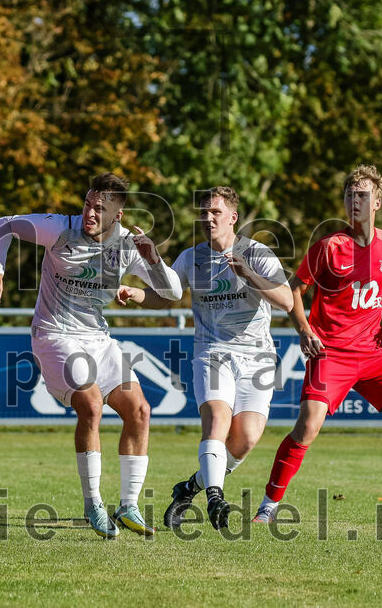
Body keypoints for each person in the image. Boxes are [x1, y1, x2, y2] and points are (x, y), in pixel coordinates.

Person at [253, 164, 382, 523]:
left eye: (362, 195)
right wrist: (304, 329)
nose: (355, 201)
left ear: (377, 201)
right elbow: (294, 289)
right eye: (350, 195)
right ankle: (269, 507)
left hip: (371, 354)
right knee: (307, 426)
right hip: (330, 353)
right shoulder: (328, 246)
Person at [0, 174, 183, 538]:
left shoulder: (127, 246)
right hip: (54, 336)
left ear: (117, 216)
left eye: (98, 208)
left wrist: (153, 261)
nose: (89, 212)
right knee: (90, 403)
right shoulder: (60, 228)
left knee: (139, 410)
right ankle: (93, 505)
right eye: (87, 203)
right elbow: (3, 226)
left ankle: (129, 506)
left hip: (97, 340)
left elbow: (175, 292)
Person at [116, 187, 292, 531]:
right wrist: (138, 291)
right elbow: (167, 296)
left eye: (215, 212)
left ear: (232, 217)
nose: (208, 218)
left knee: (246, 440)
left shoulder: (256, 253)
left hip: (257, 357)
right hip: (212, 352)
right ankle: (215, 497)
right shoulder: (190, 257)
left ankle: (189, 488)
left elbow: (286, 300)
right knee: (216, 419)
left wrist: (248, 276)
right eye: (204, 212)